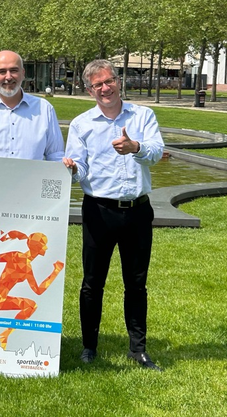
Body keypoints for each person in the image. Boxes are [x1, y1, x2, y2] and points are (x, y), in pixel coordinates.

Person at [63, 59, 165, 371]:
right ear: (89, 89)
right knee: (93, 282)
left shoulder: (143, 115)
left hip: (136, 211)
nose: (105, 88)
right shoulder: (82, 124)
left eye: (109, 81)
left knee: (136, 283)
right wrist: (71, 169)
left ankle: (139, 350)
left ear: (118, 81)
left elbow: (157, 152)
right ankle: (89, 347)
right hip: (98, 211)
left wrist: (135, 146)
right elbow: (80, 168)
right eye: (97, 85)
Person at [0, 50, 63, 161]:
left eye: (14, 70)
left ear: (23, 73)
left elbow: (56, 155)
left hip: (32, 178)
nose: (8, 77)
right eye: (2, 72)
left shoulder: (44, 109)